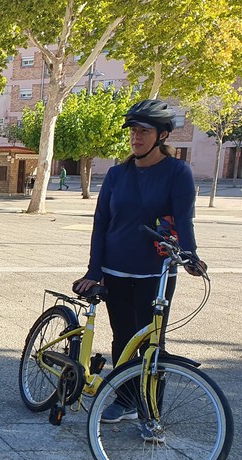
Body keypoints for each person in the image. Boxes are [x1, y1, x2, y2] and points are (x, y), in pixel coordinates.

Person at [73, 99, 206, 426]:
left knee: (152, 344)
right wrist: (94, 269)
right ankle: (126, 399)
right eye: (133, 131)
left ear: (162, 135)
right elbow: (101, 223)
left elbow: (184, 219)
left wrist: (190, 255)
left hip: (156, 273)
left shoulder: (177, 172)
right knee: (122, 339)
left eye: (143, 131)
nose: (136, 137)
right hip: (115, 269)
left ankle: (150, 411)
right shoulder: (117, 174)